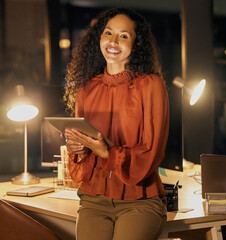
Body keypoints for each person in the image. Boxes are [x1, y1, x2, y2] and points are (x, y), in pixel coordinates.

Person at [63, 7, 169, 240]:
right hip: (93, 199)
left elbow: (151, 151)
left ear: (137, 44)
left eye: (123, 35)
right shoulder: (86, 88)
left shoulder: (151, 85)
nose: (113, 41)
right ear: (99, 37)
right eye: (108, 33)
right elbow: (84, 156)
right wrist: (78, 149)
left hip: (139, 200)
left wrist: (106, 152)